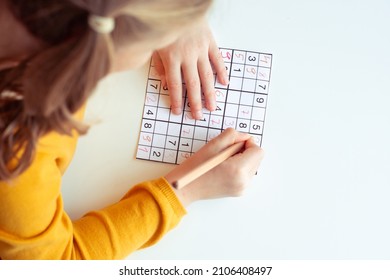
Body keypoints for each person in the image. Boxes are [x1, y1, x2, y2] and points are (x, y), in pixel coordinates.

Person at [0, 0, 264, 259]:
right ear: (101, 45)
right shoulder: (17, 154)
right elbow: (55, 263)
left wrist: (172, 18)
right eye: (155, 40)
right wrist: (184, 189)